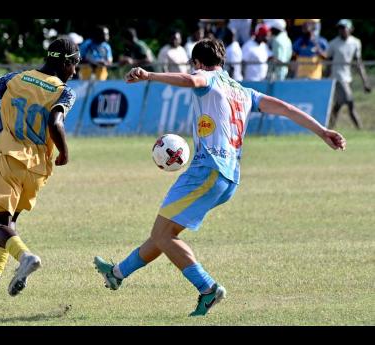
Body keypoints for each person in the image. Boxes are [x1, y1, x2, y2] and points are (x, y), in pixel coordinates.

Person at [93, 38, 346, 317]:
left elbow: (195, 81)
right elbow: (285, 108)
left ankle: (208, 288)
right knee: (166, 233)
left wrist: (149, 75)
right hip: (229, 177)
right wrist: (323, 131)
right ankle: (117, 273)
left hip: (207, 169)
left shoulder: (206, 77)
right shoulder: (244, 91)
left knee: (163, 234)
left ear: (198, 63)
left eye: (195, 67)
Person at [0, 38, 79, 299]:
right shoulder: (65, 91)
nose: (74, 71)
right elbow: (55, 121)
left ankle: (25, 257)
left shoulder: (15, 78)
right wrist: (63, 152)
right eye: (74, 65)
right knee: (9, 225)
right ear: (66, 63)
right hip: (38, 170)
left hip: (11, 161)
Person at [327, 19, 371, 129]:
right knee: (349, 100)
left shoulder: (355, 43)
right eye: (339, 28)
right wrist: (326, 77)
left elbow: (358, 63)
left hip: (348, 77)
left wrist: (365, 81)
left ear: (350, 29)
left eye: (344, 28)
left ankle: (329, 127)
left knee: (339, 104)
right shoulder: (333, 44)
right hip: (337, 77)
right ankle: (359, 128)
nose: (341, 30)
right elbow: (328, 62)